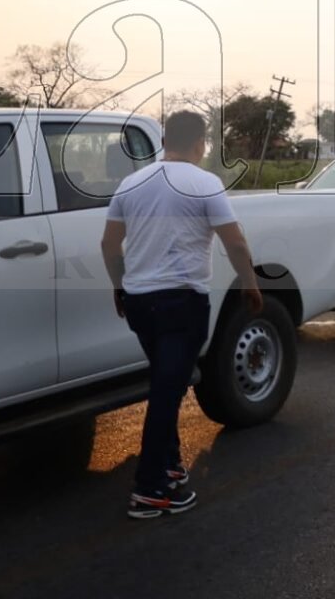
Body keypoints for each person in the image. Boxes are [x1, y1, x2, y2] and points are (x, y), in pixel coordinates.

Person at [101, 110, 263, 520]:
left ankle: (170, 464)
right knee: (167, 392)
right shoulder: (204, 183)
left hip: (140, 302)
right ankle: (150, 489)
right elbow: (235, 242)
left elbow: (108, 244)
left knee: (166, 382)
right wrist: (250, 283)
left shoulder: (131, 183)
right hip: (182, 303)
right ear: (199, 143)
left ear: (165, 139)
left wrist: (119, 287)